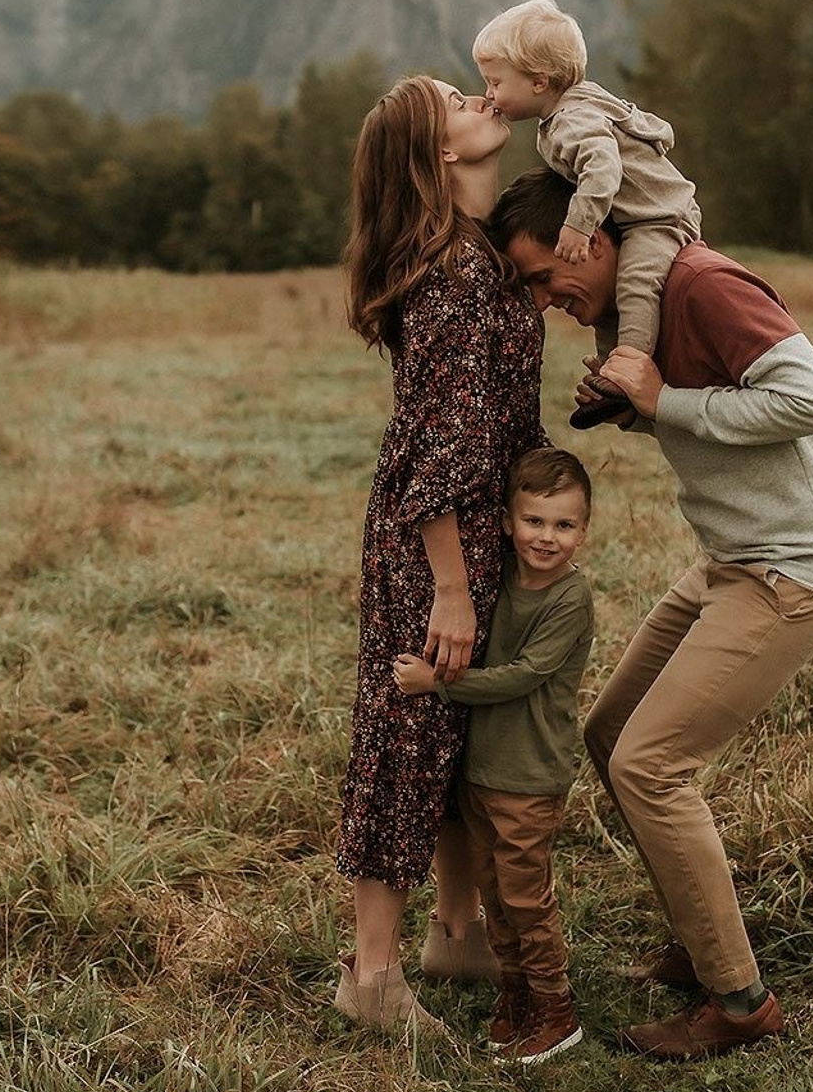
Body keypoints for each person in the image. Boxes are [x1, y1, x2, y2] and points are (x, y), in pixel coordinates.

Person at [486, 167, 813, 1061]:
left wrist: (665, 401)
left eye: (548, 277)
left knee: (652, 767)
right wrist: (632, 410)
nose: (548, 302)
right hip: (729, 561)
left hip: (796, 569)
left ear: (590, 236)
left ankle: (739, 1000)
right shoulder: (636, 309)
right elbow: (707, 414)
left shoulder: (702, 284)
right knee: (610, 733)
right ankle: (705, 943)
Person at [335, 78, 547, 1035]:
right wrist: (453, 589)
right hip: (437, 545)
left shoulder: (481, 256)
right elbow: (440, 455)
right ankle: (370, 978)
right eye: (454, 99)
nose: (478, 96)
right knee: (407, 738)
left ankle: (456, 932)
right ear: (439, 153)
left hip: (474, 529)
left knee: (462, 732)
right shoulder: (456, 276)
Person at [394, 446, 594, 1066]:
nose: (547, 537)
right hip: (481, 773)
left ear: (583, 532)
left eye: (564, 525)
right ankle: (517, 993)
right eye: (534, 521)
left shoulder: (569, 598)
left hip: (530, 776)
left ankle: (555, 1008)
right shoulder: (496, 577)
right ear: (508, 523)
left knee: (527, 897)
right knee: (494, 892)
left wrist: (440, 682)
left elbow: (522, 675)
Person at [473, 0, 701, 428]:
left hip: (659, 218)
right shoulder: (570, 110)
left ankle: (627, 369)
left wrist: (579, 225)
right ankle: (610, 380)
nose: (489, 94)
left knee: (634, 284)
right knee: (607, 303)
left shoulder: (570, 119)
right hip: (635, 217)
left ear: (539, 81)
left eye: (495, 82)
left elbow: (602, 165)